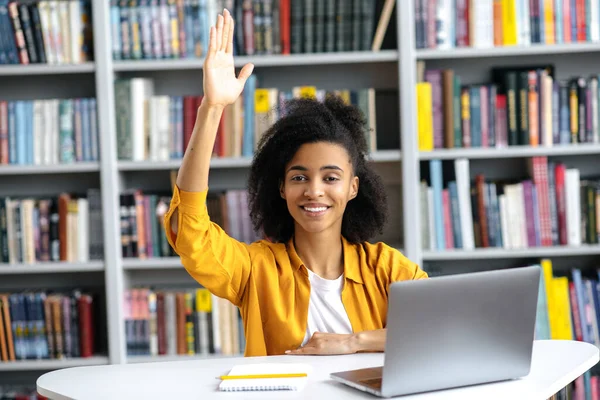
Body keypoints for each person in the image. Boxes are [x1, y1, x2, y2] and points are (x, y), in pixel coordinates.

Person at [163, 8, 428, 357]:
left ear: (353, 187)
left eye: (330, 177)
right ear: (281, 188)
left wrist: (354, 342)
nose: (314, 190)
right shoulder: (257, 270)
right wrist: (212, 108)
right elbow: (189, 230)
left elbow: (443, 327)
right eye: (299, 177)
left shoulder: (386, 268)